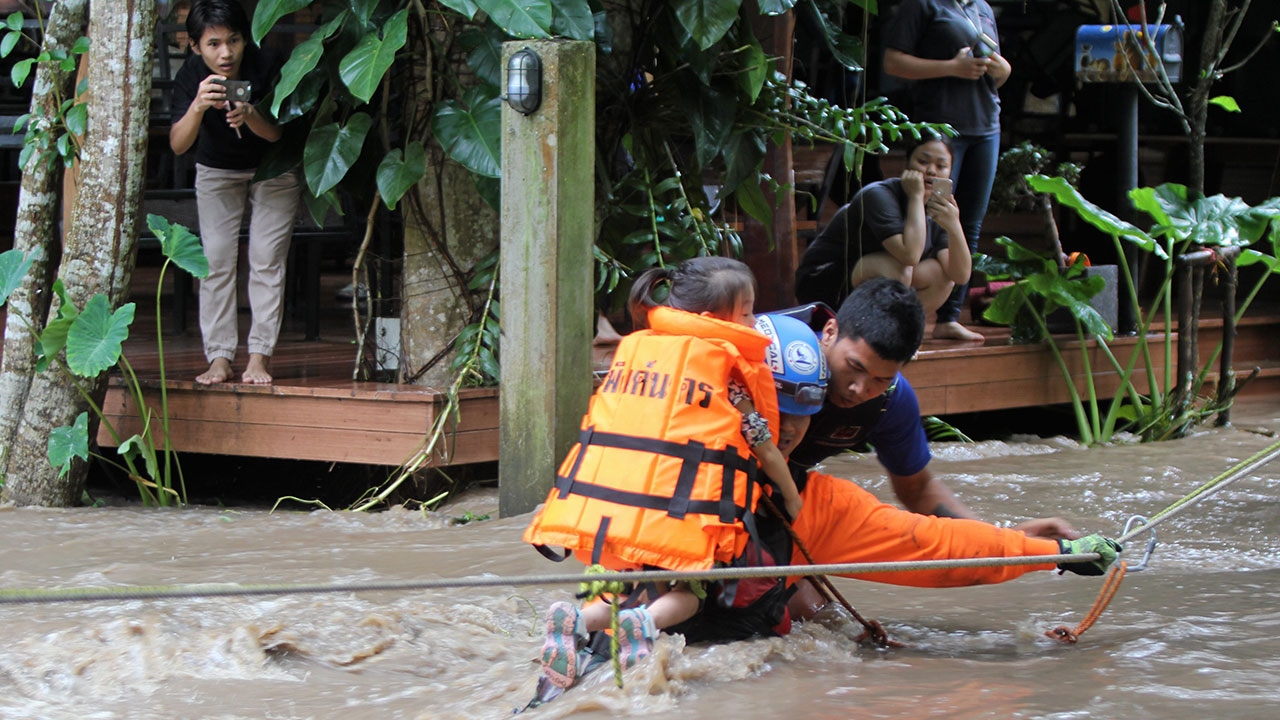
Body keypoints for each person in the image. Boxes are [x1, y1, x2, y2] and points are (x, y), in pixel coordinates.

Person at [523, 256, 804, 688]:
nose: (754, 322)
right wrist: (790, 495)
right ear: (712, 319)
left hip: (617, 509)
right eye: (747, 312)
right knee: (686, 593)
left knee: (622, 583)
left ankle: (577, 619)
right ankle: (647, 624)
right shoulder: (728, 375)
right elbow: (763, 447)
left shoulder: (638, 355)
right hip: (682, 510)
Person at [170, 0, 301, 385]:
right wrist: (197, 106)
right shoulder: (190, 76)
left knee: (266, 259)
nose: (225, 53)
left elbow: (277, 134)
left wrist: (249, 114)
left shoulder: (268, 65)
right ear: (195, 47)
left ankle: (259, 356)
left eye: (234, 41)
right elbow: (178, 145)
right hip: (217, 171)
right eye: (213, 44)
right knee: (215, 262)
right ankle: (220, 358)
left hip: (273, 168)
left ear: (246, 40)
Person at [883, 0, 1010, 343]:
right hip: (941, 127)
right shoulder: (923, 5)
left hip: (985, 124)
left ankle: (950, 317)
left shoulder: (981, 7)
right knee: (933, 215)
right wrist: (951, 67)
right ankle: (909, 312)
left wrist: (1001, 70)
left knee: (968, 221)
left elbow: (994, 73)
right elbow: (893, 62)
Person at [794, 136, 972, 317]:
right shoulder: (878, 195)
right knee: (900, 269)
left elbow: (960, 276)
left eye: (941, 166)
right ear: (908, 164)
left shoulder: (938, 209)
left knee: (941, 276)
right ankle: (876, 335)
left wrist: (954, 225)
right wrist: (916, 198)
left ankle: (900, 336)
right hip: (821, 283)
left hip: (864, 280)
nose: (931, 171)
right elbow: (910, 255)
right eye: (923, 161)